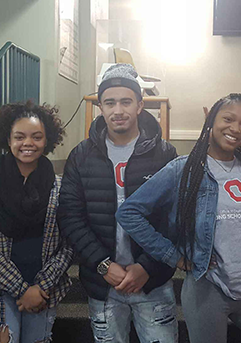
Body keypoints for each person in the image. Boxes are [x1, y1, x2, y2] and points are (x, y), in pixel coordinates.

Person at [116, 93, 241, 343]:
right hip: (209, 289)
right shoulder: (183, 169)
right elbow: (129, 213)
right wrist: (175, 257)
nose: (235, 129)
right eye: (228, 119)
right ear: (211, 120)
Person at [58, 64, 179, 343]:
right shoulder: (81, 156)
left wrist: (146, 267)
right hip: (103, 285)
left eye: (126, 102)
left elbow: (173, 218)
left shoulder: (164, 154)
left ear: (139, 105)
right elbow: (71, 217)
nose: (118, 110)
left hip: (153, 283)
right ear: (100, 106)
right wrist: (103, 265)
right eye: (110, 103)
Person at [0, 101, 73, 343]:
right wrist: (22, 289)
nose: (28, 144)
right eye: (19, 137)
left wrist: (40, 286)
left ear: (47, 140)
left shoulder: (60, 186)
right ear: (8, 139)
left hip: (43, 290)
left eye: (37, 137)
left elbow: (68, 244)